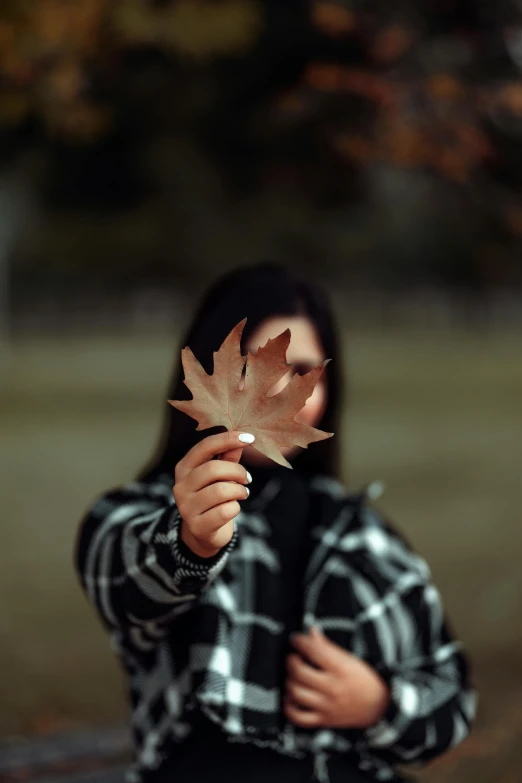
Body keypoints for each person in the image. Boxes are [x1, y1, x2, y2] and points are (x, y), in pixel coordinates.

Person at [74, 261, 477, 783]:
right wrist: (189, 544)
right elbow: (119, 576)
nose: (285, 394)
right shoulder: (145, 512)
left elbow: (451, 695)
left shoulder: (365, 535)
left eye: (305, 370)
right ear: (207, 374)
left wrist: (380, 702)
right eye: (256, 366)